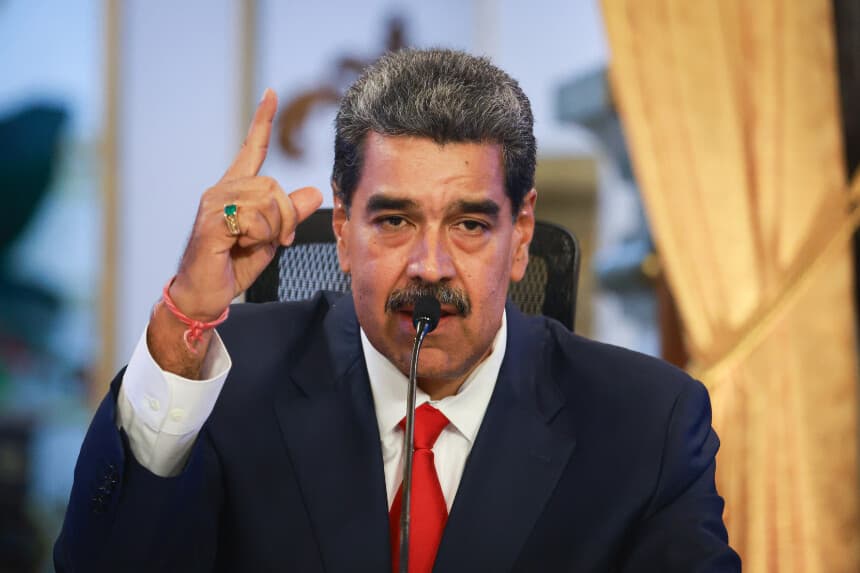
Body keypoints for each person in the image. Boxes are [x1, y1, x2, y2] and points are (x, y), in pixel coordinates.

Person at [55, 48, 741, 572]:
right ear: (345, 228)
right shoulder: (223, 381)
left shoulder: (646, 423)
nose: (431, 265)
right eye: (394, 221)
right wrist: (184, 320)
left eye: (471, 224)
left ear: (522, 232)